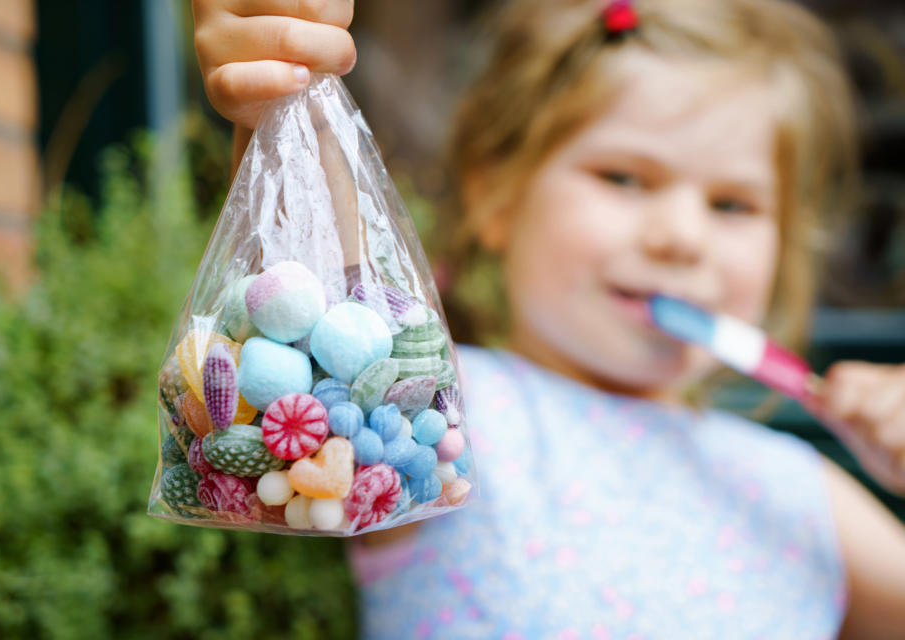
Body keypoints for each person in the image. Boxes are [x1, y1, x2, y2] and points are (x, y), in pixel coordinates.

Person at [190, 0, 905, 636]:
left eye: (733, 204)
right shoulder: (452, 415)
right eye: (623, 178)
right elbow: (327, 313)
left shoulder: (802, 496)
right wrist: (283, 86)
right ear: (497, 196)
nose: (683, 237)